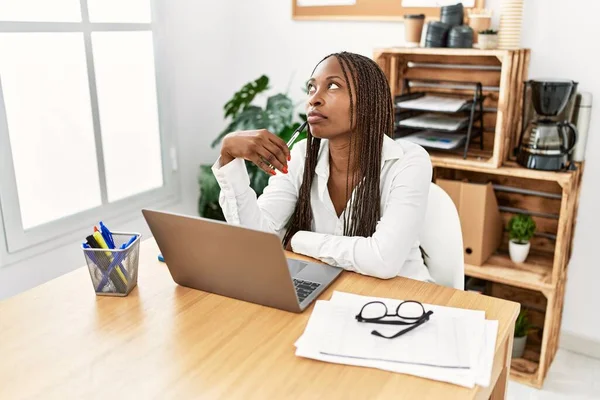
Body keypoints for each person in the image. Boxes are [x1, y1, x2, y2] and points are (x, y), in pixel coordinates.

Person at [212, 51, 433, 282]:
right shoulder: (300, 156)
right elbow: (257, 241)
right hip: (333, 292)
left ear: (368, 100)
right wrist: (229, 158)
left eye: (333, 86)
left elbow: (383, 260)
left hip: (407, 299)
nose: (313, 99)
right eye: (311, 88)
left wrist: (296, 239)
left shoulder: (408, 162)